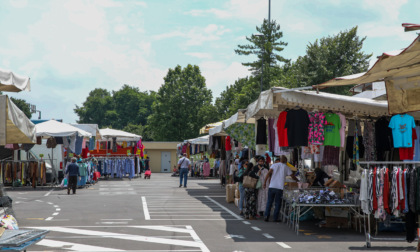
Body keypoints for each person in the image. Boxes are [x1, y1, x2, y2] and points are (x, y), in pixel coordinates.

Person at [264, 155, 298, 222]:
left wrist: (264, 183)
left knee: (269, 202)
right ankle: (275, 218)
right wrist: (298, 181)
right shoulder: (286, 167)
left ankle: (266, 216)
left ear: (280, 159)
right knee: (277, 203)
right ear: (285, 160)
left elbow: (268, 173)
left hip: (272, 186)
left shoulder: (274, 165)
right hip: (279, 188)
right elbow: (292, 176)